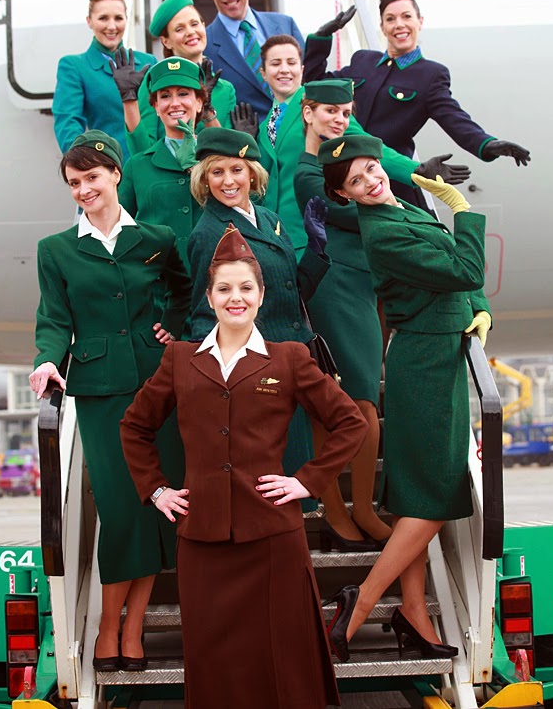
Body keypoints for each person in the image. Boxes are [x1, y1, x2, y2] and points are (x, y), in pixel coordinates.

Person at [121, 224, 368, 709]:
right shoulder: (179, 359)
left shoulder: (290, 358)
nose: (236, 298)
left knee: (285, 656)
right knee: (213, 659)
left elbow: (350, 423)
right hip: (203, 538)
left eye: (246, 288)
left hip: (273, 535)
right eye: (225, 289)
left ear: (261, 296)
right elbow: (134, 427)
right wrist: (156, 491)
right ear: (209, 297)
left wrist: (307, 482)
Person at [318, 133, 491, 663]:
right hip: (425, 363)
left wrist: (476, 308)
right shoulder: (382, 233)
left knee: (417, 495)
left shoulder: (402, 211)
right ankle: (364, 600)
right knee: (436, 496)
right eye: (357, 180)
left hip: (440, 349)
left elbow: (460, 282)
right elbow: (464, 268)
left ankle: (413, 612)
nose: (371, 179)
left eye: (372, 168)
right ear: (345, 196)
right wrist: (462, 209)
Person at [28, 131, 191, 672]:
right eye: (74, 183)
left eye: (92, 178)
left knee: (154, 508)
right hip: (100, 394)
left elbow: (184, 290)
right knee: (122, 512)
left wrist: (169, 324)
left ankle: (134, 631)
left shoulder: (156, 237)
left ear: (116, 175)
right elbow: (54, 317)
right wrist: (49, 358)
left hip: (157, 388)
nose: (83, 190)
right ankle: (105, 630)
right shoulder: (55, 250)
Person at [187, 127, 330, 509]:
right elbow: (205, 311)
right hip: (257, 375)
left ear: (252, 172)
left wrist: (317, 250)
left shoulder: (267, 219)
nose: (228, 181)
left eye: (236, 169)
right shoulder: (209, 233)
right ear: (204, 178)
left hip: (289, 359)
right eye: (216, 172)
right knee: (272, 492)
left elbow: (290, 289)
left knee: (291, 488)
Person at [303, 0, 530, 203]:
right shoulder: (363, 61)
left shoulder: (430, 75)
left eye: (407, 16)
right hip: (345, 177)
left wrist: (486, 144)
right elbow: (317, 86)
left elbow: (454, 118)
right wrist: (321, 39)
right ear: (382, 27)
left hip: (391, 180)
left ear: (420, 22)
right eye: (390, 19)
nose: (399, 25)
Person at [294, 80, 396, 550]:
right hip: (332, 287)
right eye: (330, 110)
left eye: (346, 111)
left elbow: (372, 187)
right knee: (345, 405)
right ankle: (337, 511)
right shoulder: (309, 170)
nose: (339, 117)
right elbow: (356, 216)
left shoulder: (348, 157)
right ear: (308, 111)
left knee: (364, 405)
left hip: (361, 286)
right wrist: (390, 208)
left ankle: (361, 509)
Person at [253, 35, 470, 255]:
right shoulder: (263, 126)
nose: (284, 70)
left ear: (301, 68)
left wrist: (415, 171)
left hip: (312, 234)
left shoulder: (324, 106)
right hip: (276, 236)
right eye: (275, 63)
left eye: (291, 62)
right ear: (263, 72)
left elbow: (366, 147)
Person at [114, 0, 236, 155]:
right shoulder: (153, 84)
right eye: (179, 29)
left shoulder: (225, 89)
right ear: (166, 41)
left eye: (194, 24)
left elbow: (228, 151)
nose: (190, 32)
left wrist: (208, 113)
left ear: (203, 25)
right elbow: (142, 150)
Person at [118, 57, 206, 270]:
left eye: (183, 94)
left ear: (199, 102)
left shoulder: (218, 158)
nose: (174, 103)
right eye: (165, 96)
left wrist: (197, 169)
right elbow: (118, 229)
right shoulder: (137, 166)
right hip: (160, 289)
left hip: (214, 283)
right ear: (156, 107)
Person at [52, 0, 156, 164]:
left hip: (153, 168)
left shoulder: (148, 62)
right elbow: (68, 123)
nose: (112, 26)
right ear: (89, 21)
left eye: (118, 18)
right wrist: (85, 166)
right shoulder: (74, 66)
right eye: (103, 18)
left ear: (126, 19)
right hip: (112, 169)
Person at [203, 0, 304, 121]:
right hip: (247, 141)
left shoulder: (285, 24)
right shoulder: (205, 44)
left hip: (295, 132)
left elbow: (310, 74)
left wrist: (321, 43)